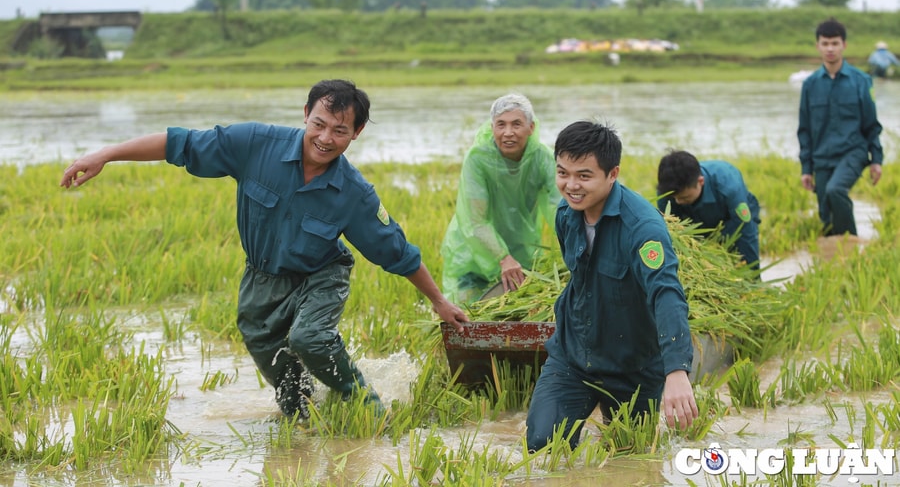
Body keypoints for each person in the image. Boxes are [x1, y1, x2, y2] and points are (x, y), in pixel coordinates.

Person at [59, 79, 470, 419]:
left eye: (340, 131)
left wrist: (439, 301)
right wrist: (107, 155)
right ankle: (305, 424)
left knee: (310, 338)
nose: (326, 139)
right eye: (319, 124)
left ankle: (368, 409)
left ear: (356, 133)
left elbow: (396, 251)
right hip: (261, 278)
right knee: (288, 389)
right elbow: (178, 144)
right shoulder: (255, 143)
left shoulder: (355, 194)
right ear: (305, 113)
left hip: (321, 274)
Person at [525, 120, 697, 453]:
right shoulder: (566, 214)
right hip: (574, 356)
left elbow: (667, 294)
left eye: (584, 176)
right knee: (542, 446)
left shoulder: (644, 229)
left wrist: (676, 370)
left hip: (633, 366)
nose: (571, 185)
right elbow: (580, 279)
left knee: (630, 459)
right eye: (563, 173)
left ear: (613, 174)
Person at [440, 94, 557, 303]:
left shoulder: (543, 158)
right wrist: (502, 258)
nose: (508, 133)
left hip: (520, 252)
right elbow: (475, 220)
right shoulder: (478, 158)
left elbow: (563, 205)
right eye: (500, 125)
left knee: (518, 315)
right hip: (473, 251)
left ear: (531, 128)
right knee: (470, 317)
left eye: (516, 124)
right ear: (492, 127)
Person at [798, 18, 884, 237]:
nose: (830, 49)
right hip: (822, 156)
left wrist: (876, 160)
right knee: (826, 217)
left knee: (836, 190)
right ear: (817, 46)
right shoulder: (810, 85)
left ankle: (852, 244)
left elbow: (871, 123)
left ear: (844, 45)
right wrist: (806, 168)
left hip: (852, 152)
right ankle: (836, 261)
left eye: (835, 43)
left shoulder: (861, 81)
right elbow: (805, 129)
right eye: (825, 43)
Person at [656, 150, 761, 269]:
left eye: (684, 197)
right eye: (674, 198)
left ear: (701, 182)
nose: (678, 202)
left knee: (740, 257)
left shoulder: (729, 187)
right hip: (694, 220)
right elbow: (672, 233)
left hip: (731, 221)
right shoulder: (667, 192)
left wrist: (752, 273)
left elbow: (746, 232)